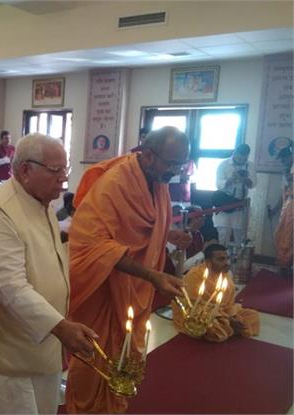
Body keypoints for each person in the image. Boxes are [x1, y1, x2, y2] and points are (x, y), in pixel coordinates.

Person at [0, 134, 96, 414]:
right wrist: (60, 326)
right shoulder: (0, 209)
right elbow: (10, 286)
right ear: (25, 170)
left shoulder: (39, 201)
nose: (63, 180)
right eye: (55, 171)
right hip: (4, 354)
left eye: (65, 171)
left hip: (37, 345)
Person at [66, 126, 190, 413]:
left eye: (181, 163)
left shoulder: (156, 179)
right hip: (101, 285)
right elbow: (91, 242)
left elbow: (139, 226)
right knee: (93, 355)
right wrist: (152, 275)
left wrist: (168, 234)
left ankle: (111, 407)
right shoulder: (114, 184)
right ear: (147, 155)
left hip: (131, 285)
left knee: (125, 355)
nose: (177, 170)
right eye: (172, 163)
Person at [172, 244, 260, 342]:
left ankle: (228, 326)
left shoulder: (226, 274)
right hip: (197, 314)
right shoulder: (194, 276)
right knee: (214, 329)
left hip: (222, 312)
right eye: (221, 259)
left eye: (227, 259)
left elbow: (228, 304)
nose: (227, 263)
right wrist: (226, 318)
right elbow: (193, 305)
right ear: (208, 262)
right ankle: (228, 326)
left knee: (253, 315)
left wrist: (231, 315)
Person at [213, 144, 257, 247]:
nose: (241, 161)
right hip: (224, 203)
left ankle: (238, 261)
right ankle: (223, 260)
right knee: (223, 236)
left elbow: (253, 184)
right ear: (235, 153)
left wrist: (244, 179)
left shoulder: (250, 166)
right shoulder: (224, 164)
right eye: (239, 158)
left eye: (244, 159)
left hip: (240, 205)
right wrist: (231, 179)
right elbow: (219, 184)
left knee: (240, 237)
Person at [271, 146, 293, 269]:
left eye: (284, 160)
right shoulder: (286, 172)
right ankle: (284, 265)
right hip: (288, 207)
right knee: (281, 236)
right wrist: (275, 209)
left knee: (289, 238)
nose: (283, 163)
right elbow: (283, 193)